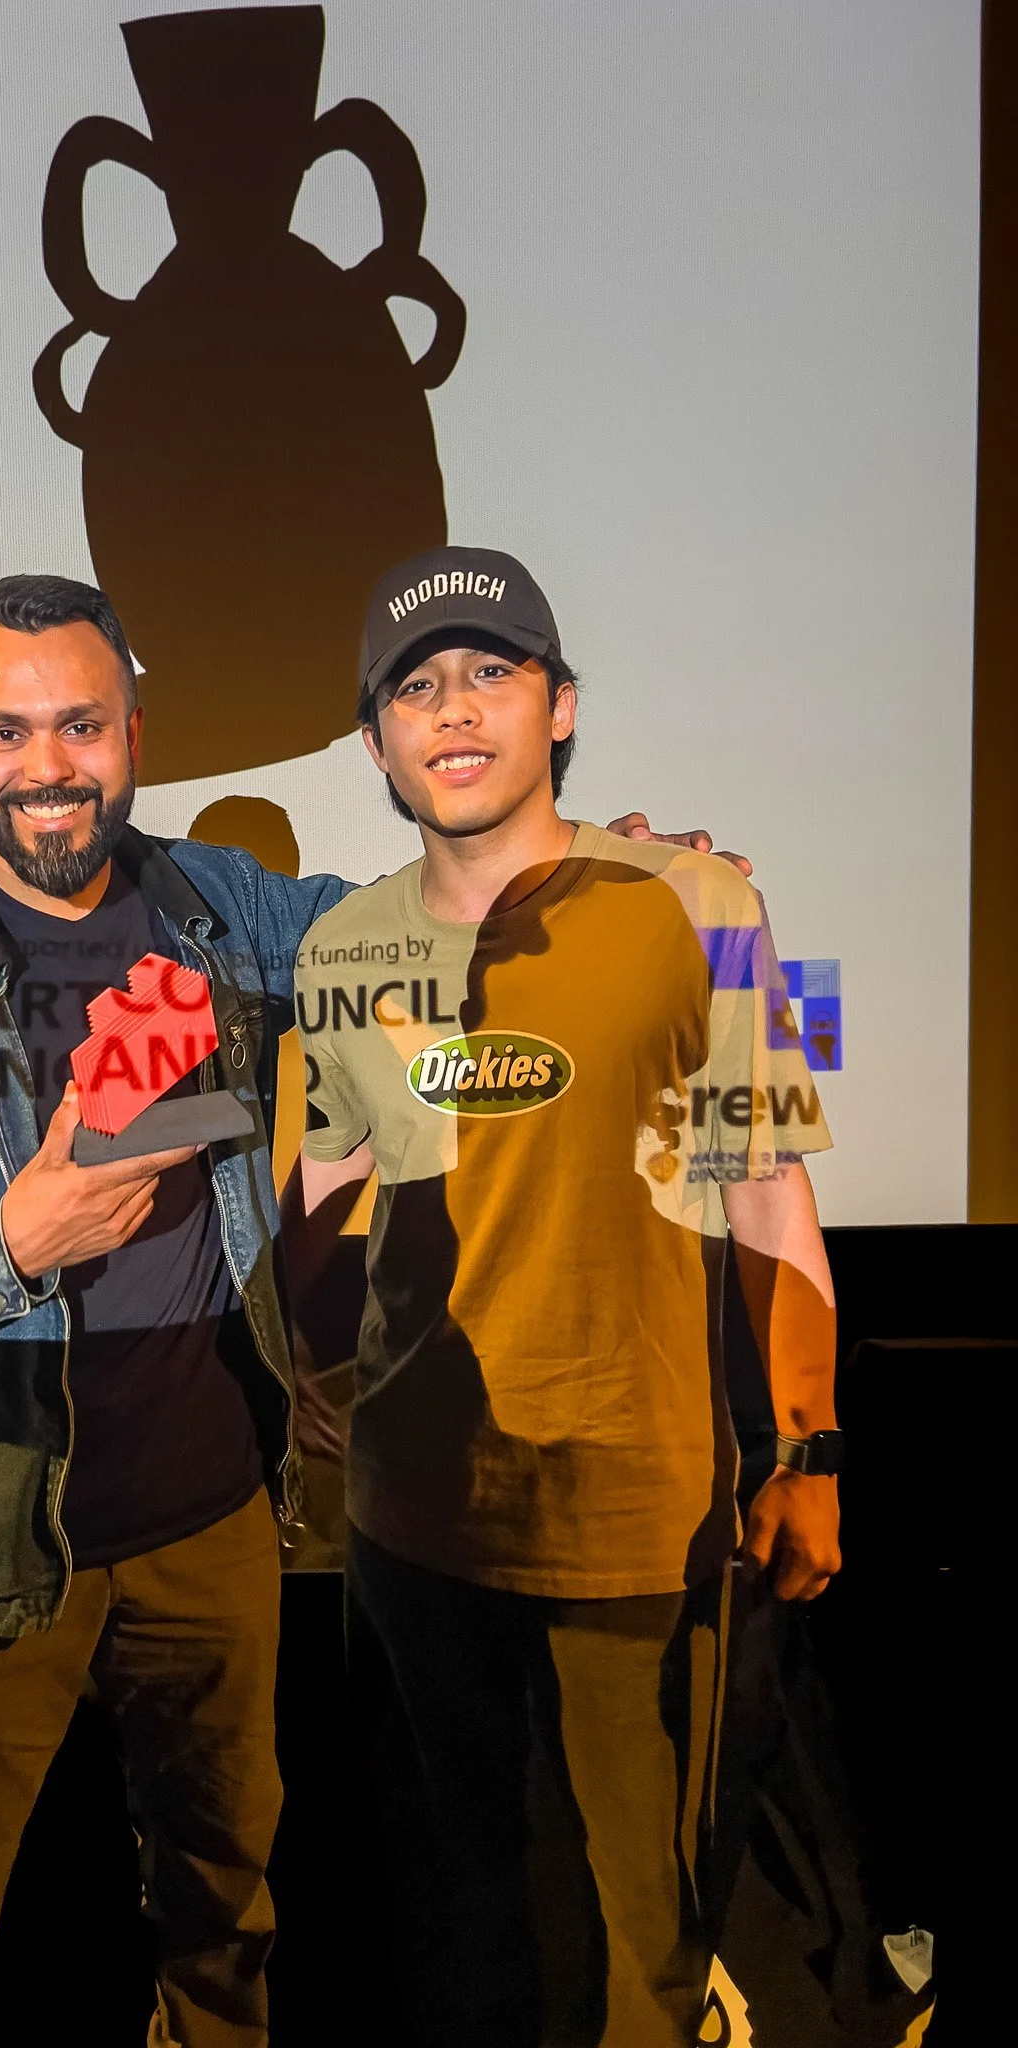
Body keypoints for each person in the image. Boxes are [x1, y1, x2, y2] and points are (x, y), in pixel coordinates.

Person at [0, 570, 739, 2047]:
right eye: (7, 733)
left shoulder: (222, 909)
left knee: (225, 1935)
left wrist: (589, 867)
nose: (49, 766)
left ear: (134, 733)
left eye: (81, 725)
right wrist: (6, 1244)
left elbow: (423, 923)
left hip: (212, 1526)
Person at [283, 545, 841, 2048]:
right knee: (457, 1918)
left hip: (639, 1517)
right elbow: (322, 1202)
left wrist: (808, 1449)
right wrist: (308, 1360)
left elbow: (767, 1188)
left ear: (562, 704)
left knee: (649, 1930)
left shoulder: (703, 901)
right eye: (416, 687)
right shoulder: (341, 947)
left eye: (491, 671)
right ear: (375, 741)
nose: (454, 709)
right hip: (414, 1525)